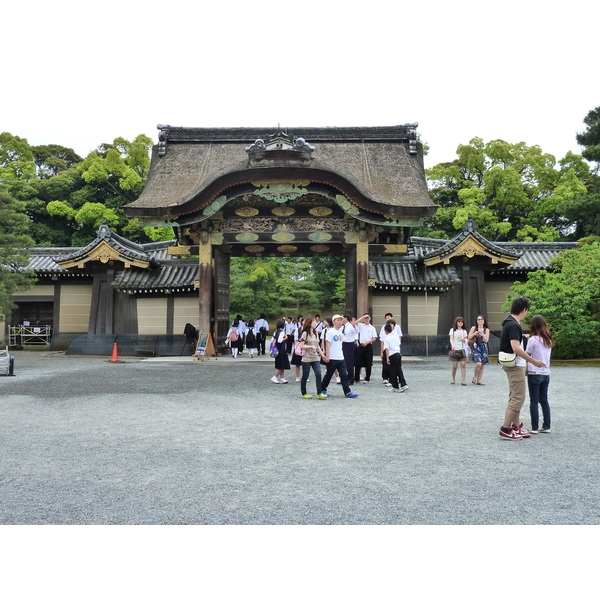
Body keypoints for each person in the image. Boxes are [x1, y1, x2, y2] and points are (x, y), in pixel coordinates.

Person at [499, 296, 546, 440]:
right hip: (515, 365)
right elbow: (515, 348)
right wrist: (533, 360)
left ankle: (515, 426)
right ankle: (505, 429)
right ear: (524, 310)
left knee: (515, 396)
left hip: (512, 364)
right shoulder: (514, 325)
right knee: (518, 397)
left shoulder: (509, 322)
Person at [526, 314, 554, 434]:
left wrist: (527, 340)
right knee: (544, 400)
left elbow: (527, 354)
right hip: (546, 373)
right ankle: (546, 425)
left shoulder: (532, 340)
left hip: (534, 372)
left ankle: (534, 427)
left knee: (534, 400)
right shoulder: (548, 339)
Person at [320, 314, 358, 399]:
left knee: (344, 375)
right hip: (332, 358)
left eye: (341, 320)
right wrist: (327, 356)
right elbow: (328, 344)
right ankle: (322, 389)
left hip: (341, 357)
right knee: (329, 375)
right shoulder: (330, 332)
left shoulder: (340, 332)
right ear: (333, 322)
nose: (340, 322)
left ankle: (347, 392)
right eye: (338, 320)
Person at [299, 315, 327, 399]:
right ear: (310, 323)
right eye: (314, 321)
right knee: (305, 376)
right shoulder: (305, 333)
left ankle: (319, 392)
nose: (315, 323)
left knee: (318, 374)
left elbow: (317, 346)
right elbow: (302, 346)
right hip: (306, 357)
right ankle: (304, 393)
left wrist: (323, 355)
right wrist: (310, 347)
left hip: (315, 357)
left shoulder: (315, 333)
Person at [383, 321, 409, 393]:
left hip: (392, 355)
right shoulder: (396, 335)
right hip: (398, 353)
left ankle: (396, 387)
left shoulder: (387, 338)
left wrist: (387, 357)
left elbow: (387, 349)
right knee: (398, 369)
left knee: (393, 371)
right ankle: (403, 384)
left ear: (386, 331)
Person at [379, 313, 402, 384]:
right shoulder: (384, 327)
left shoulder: (397, 327)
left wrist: (398, 345)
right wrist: (382, 351)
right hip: (387, 347)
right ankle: (385, 377)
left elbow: (399, 337)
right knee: (385, 363)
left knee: (396, 365)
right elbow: (382, 339)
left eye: (389, 317)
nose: (387, 319)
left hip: (395, 349)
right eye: (386, 318)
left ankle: (395, 379)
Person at [354, 313, 377, 383]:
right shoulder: (361, 326)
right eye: (365, 318)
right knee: (357, 361)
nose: (366, 319)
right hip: (361, 345)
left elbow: (374, 338)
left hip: (368, 345)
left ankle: (367, 378)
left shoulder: (372, 328)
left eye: (368, 318)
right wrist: (363, 316)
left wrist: (367, 342)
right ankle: (357, 378)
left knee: (368, 362)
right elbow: (355, 323)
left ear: (370, 319)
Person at [468, 315, 490, 385]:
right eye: (478, 319)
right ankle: (475, 377)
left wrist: (483, 335)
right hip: (475, 347)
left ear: (484, 321)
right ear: (476, 321)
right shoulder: (474, 328)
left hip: (483, 347)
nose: (480, 320)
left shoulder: (486, 330)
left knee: (482, 364)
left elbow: (486, 340)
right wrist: (474, 333)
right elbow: (469, 337)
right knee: (478, 363)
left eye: (481, 319)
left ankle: (479, 380)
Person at [449, 316, 468, 385]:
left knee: (463, 364)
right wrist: (452, 345)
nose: (460, 323)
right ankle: (453, 378)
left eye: (462, 321)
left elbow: (466, 340)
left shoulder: (464, 331)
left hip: (462, 349)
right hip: (455, 349)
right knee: (454, 366)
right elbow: (451, 338)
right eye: (459, 321)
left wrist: (464, 339)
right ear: (456, 322)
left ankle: (463, 380)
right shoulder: (452, 330)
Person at [271, 318, 290, 384]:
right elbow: (279, 340)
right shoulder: (282, 332)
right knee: (281, 365)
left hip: (277, 350)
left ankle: (282, 378)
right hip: (282, 350)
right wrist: (285, 338)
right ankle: (275, 376)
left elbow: (272, 340)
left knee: (282, 364)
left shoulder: (275, 332)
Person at [341, 314, 358, 388]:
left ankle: (351, 379)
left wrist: (354, 325)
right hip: (343, 344)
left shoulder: (350, 326)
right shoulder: (342, 327)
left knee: (349, 362)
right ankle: (345, 378)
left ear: (346, 318)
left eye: (342, 318)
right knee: (344, 362)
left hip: (350, 344)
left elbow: (356, 331)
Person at [290, 317, 304, 381]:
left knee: (306, 363)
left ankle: (305, 376)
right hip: (299, 347)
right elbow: (295, 339)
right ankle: (297, 376)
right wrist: (296, 348)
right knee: (297, 363)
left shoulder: (309, 330)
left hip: (305, 348)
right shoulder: (297, 329)